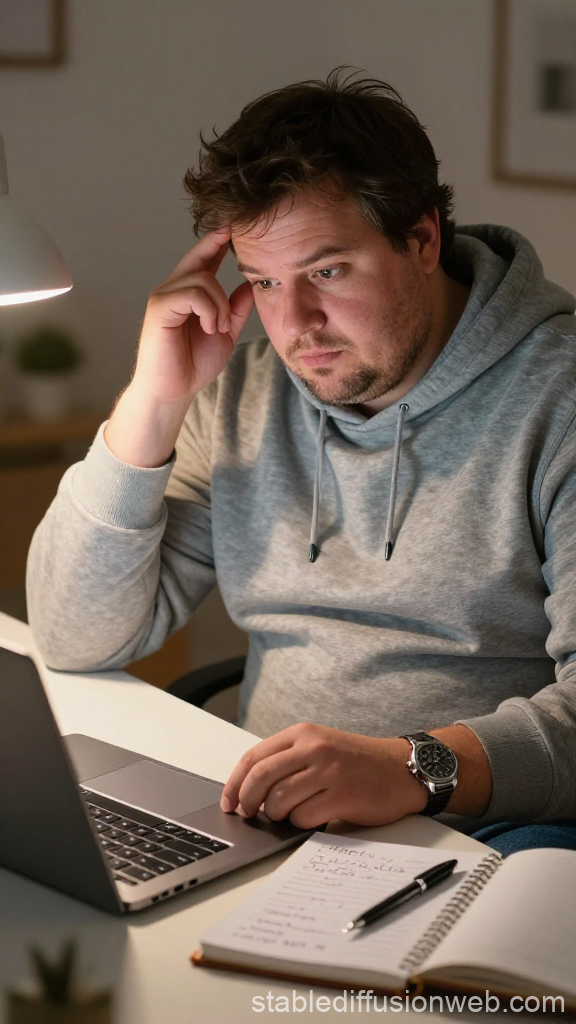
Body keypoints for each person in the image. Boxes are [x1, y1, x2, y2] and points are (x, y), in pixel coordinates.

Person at [27, 71, 576, 852]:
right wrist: (153, 401)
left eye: (326, 272)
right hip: (266, 823)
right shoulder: (244, 393)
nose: (295, 326)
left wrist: (411, 768)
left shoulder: (560, 402)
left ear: (421, 241)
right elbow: (75, 635)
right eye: (263, 281)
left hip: (486, 835)